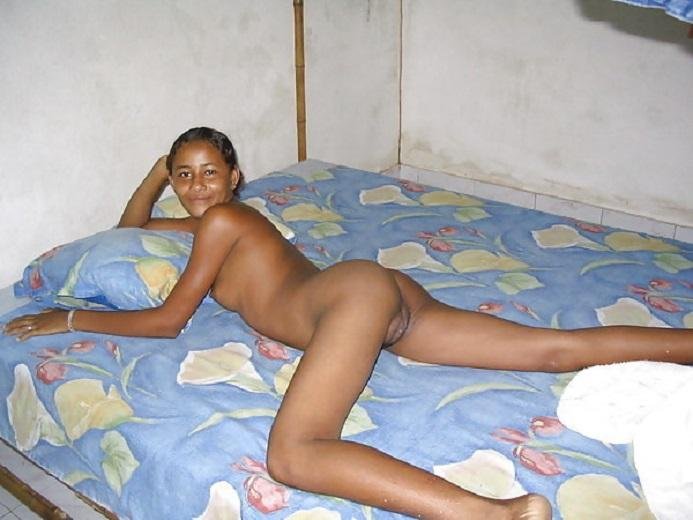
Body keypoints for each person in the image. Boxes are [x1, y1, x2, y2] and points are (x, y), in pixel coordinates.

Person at [4, 127, 692, 520]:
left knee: (294, 455)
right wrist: (155, 173)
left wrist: (67, 316)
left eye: (208, 172)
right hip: (376, 294)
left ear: (235, 176)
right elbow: (127, 231)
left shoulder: (218, 223)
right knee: (552, 351)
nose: (196, 186)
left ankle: (501, 515)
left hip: (353, 301)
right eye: (184, 176)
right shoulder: (212, 225)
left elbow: (167, 321)